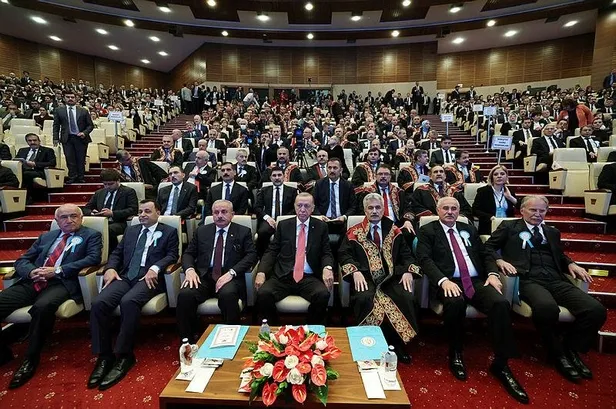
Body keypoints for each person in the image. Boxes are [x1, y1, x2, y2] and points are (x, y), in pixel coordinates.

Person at [416, 197, 528, 404]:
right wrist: (442, 281)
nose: (450, 212)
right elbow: (424, 259)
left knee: (500, 303)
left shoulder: (468, 228)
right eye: (445, 208)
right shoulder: (428, 230)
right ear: (437, 210)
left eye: (454, 208)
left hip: (476, 280)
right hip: (448, 280)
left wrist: (492, 274)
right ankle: (455, 352)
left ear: (459, 211)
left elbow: (485, 253)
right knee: (455, 302)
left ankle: (501, 363)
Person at [485, 196, 607, 382]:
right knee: (546, 308)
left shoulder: (552, 231)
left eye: (542, 211)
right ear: (522, 210)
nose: (537, 214)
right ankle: (557, 354)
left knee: (596, 310)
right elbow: (488, 247)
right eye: (533, 210)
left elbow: (559, 255)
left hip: (556, 279)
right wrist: (499, 260)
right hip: (528, 279)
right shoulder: (509, 227)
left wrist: (571, 263)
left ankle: (571, 348)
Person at [0, 204, 102, 388]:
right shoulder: (46, 237)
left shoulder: (91, 235)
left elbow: (93, 259)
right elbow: (22, 260)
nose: (69, 220)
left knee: (42, 307)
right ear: (56, 220)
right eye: (64, 217)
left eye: (74, 216)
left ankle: (30, 359)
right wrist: (31, 272)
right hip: (33, 281)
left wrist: (57, 270)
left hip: (62, 282)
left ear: (81, 218)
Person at [88, 200, 179, 390]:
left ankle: (124, 355)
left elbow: (172, 255)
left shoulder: (169, 231)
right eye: (140, 211)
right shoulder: (131, 230)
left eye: (147, 211)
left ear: (158, 212)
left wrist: (155, 268)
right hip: (125, 275)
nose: (143, 215)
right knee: (99, 303)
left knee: (129, 301)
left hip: (149, 278)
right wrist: (111, 268)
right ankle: (104, 356)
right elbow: (117, 253)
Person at [338, 193, 419, 364]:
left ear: (383, 209)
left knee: (405, 296)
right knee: (364, 298)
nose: (374, 211)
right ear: (365, 210)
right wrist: (354, 271)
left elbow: (406, 255)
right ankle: (368, 344)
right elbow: (344, 255)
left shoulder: (395, 230)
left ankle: (397, 343)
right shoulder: (353, 232)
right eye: (370, 208)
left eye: (378, 207)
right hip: (365, 277)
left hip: (391, 278)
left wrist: (408, 271)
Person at [177, 200, 257, 341]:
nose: (220, 216)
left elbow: (251, 255)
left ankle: (231, 338)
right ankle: (187, 341)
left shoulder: (243, 231)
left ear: (232, 214)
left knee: (228, 295)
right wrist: (189, 270)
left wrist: (232, 273)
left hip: (229, 276)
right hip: (204, 276)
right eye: (216, 212)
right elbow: (188, 254)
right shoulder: (202, 231)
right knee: (185, 294)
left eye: (224, 212)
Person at [255, 193, 334, 325]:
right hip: (283, 275)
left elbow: (326, 252)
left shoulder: (321, 226)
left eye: (306, 206)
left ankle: (310, 330)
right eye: (299, 205)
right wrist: (261, 271)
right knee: (263, 294)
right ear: (294, 206)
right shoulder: (284, 225)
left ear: (313, 208)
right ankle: (275, 329)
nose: (302, 209)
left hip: (308, 276)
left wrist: (327, 267)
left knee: (322, 295)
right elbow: (272, 251)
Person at [82, 169, 139, 252]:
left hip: (119, 222)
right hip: (101, 221)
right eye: (105, 184)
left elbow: (133, 209)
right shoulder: (99, 193)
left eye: (111, 184)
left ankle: (112, 253)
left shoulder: (128, 192)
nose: (107, 186)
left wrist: (112, 213)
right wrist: (92, 213)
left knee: (108, 229)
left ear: (118, 181)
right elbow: (86, 208)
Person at [254, 167, 298, 256]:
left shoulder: (292, 191)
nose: (277, 178)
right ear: (270, 178)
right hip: (269, 220)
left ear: (284, 177)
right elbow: (257, 207)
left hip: (287, 220)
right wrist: (267, 218)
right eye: (274, 175)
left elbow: (296, 208)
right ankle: (263, 257)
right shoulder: (264, 190)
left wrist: (283, 219)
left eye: (279, 175)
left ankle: (287, 256)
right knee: (262, 232)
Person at [52, 90, 93, 183]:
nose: (70, 99)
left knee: (81, 158)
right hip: (67, 138)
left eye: (72, 97)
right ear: (64, 98)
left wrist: (84, 133)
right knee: (69, 158)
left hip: (81, 138)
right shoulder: (59, 110)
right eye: (68, 97)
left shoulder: (83, 110)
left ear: (76, 99)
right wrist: (55, 138)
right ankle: (72, 177)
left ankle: (81, 177)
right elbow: (56, 125)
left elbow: (90, 125)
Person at [472, 165, 518, 235]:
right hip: (489, 227)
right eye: (496, 174)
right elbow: (475, 210)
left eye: (502, 174)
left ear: (506, 177)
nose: (499, 176)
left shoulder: (510, 191)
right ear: (491, 177)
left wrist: (510, 197)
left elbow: (522, 208)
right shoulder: (483, 191)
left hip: (507, 227)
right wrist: (490, 217)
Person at [15, 133, 57, 202]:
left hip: (39, 171)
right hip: (23, 170)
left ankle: (26, 198)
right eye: (30, 141)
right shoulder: (22, 150)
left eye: (34, 140)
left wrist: (35, 164)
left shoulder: (47, 150)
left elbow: (52, 163)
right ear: (27, 142)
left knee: (26, 174)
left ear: (39, 141)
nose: (32, 142)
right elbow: (16, 161)